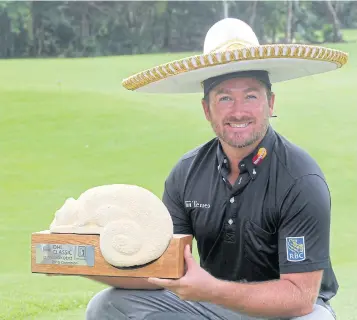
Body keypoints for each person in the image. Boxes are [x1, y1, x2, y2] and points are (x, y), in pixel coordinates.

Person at [84, 18, 348, 320]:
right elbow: (163, 265)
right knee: (107, 305)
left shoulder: (300, 179)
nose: (238, 111)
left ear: (270, 103)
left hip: (290, 311)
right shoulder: (187, 173)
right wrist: (86, 258)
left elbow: (300, 297)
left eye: (250, 96)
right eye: (224, 98)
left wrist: (210, 290)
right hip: (219, 307)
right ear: (206, 109)